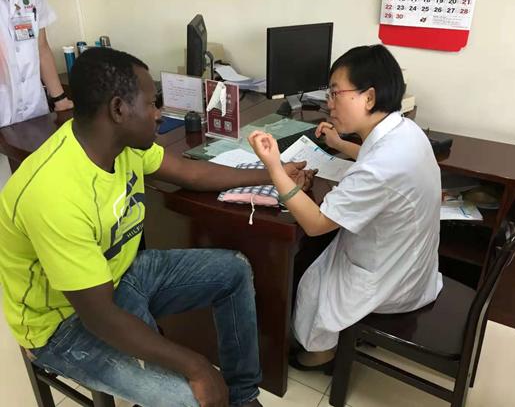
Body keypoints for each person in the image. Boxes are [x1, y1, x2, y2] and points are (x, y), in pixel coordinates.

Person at [0, 47, 315, 407]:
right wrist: (198, 366)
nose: (159, 113)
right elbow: (100, 317)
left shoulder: (122, 144)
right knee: (192, 397)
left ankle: (242, 398)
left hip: (116, 275)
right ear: (118, 109)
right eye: (151, 104)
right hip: (61, 324)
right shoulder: (54, 193)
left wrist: (274, 174)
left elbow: (191, 172)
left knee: (234, 271)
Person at [248, 45, 442, 370]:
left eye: (336, 93)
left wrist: (274, 168)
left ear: (369, 97)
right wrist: (339, 144)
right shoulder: (405, 131)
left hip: (391, 281)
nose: (329, 103)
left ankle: (321, 355)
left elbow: (315, 223)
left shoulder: (381, 166)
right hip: (411, 264)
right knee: (317, 258)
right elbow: (371, 155)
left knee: (311, 276)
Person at [1, 0, 73, 187]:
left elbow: (42, 48)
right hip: (4, 110)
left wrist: (60, 99)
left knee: (38, 180)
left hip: (35, 113)